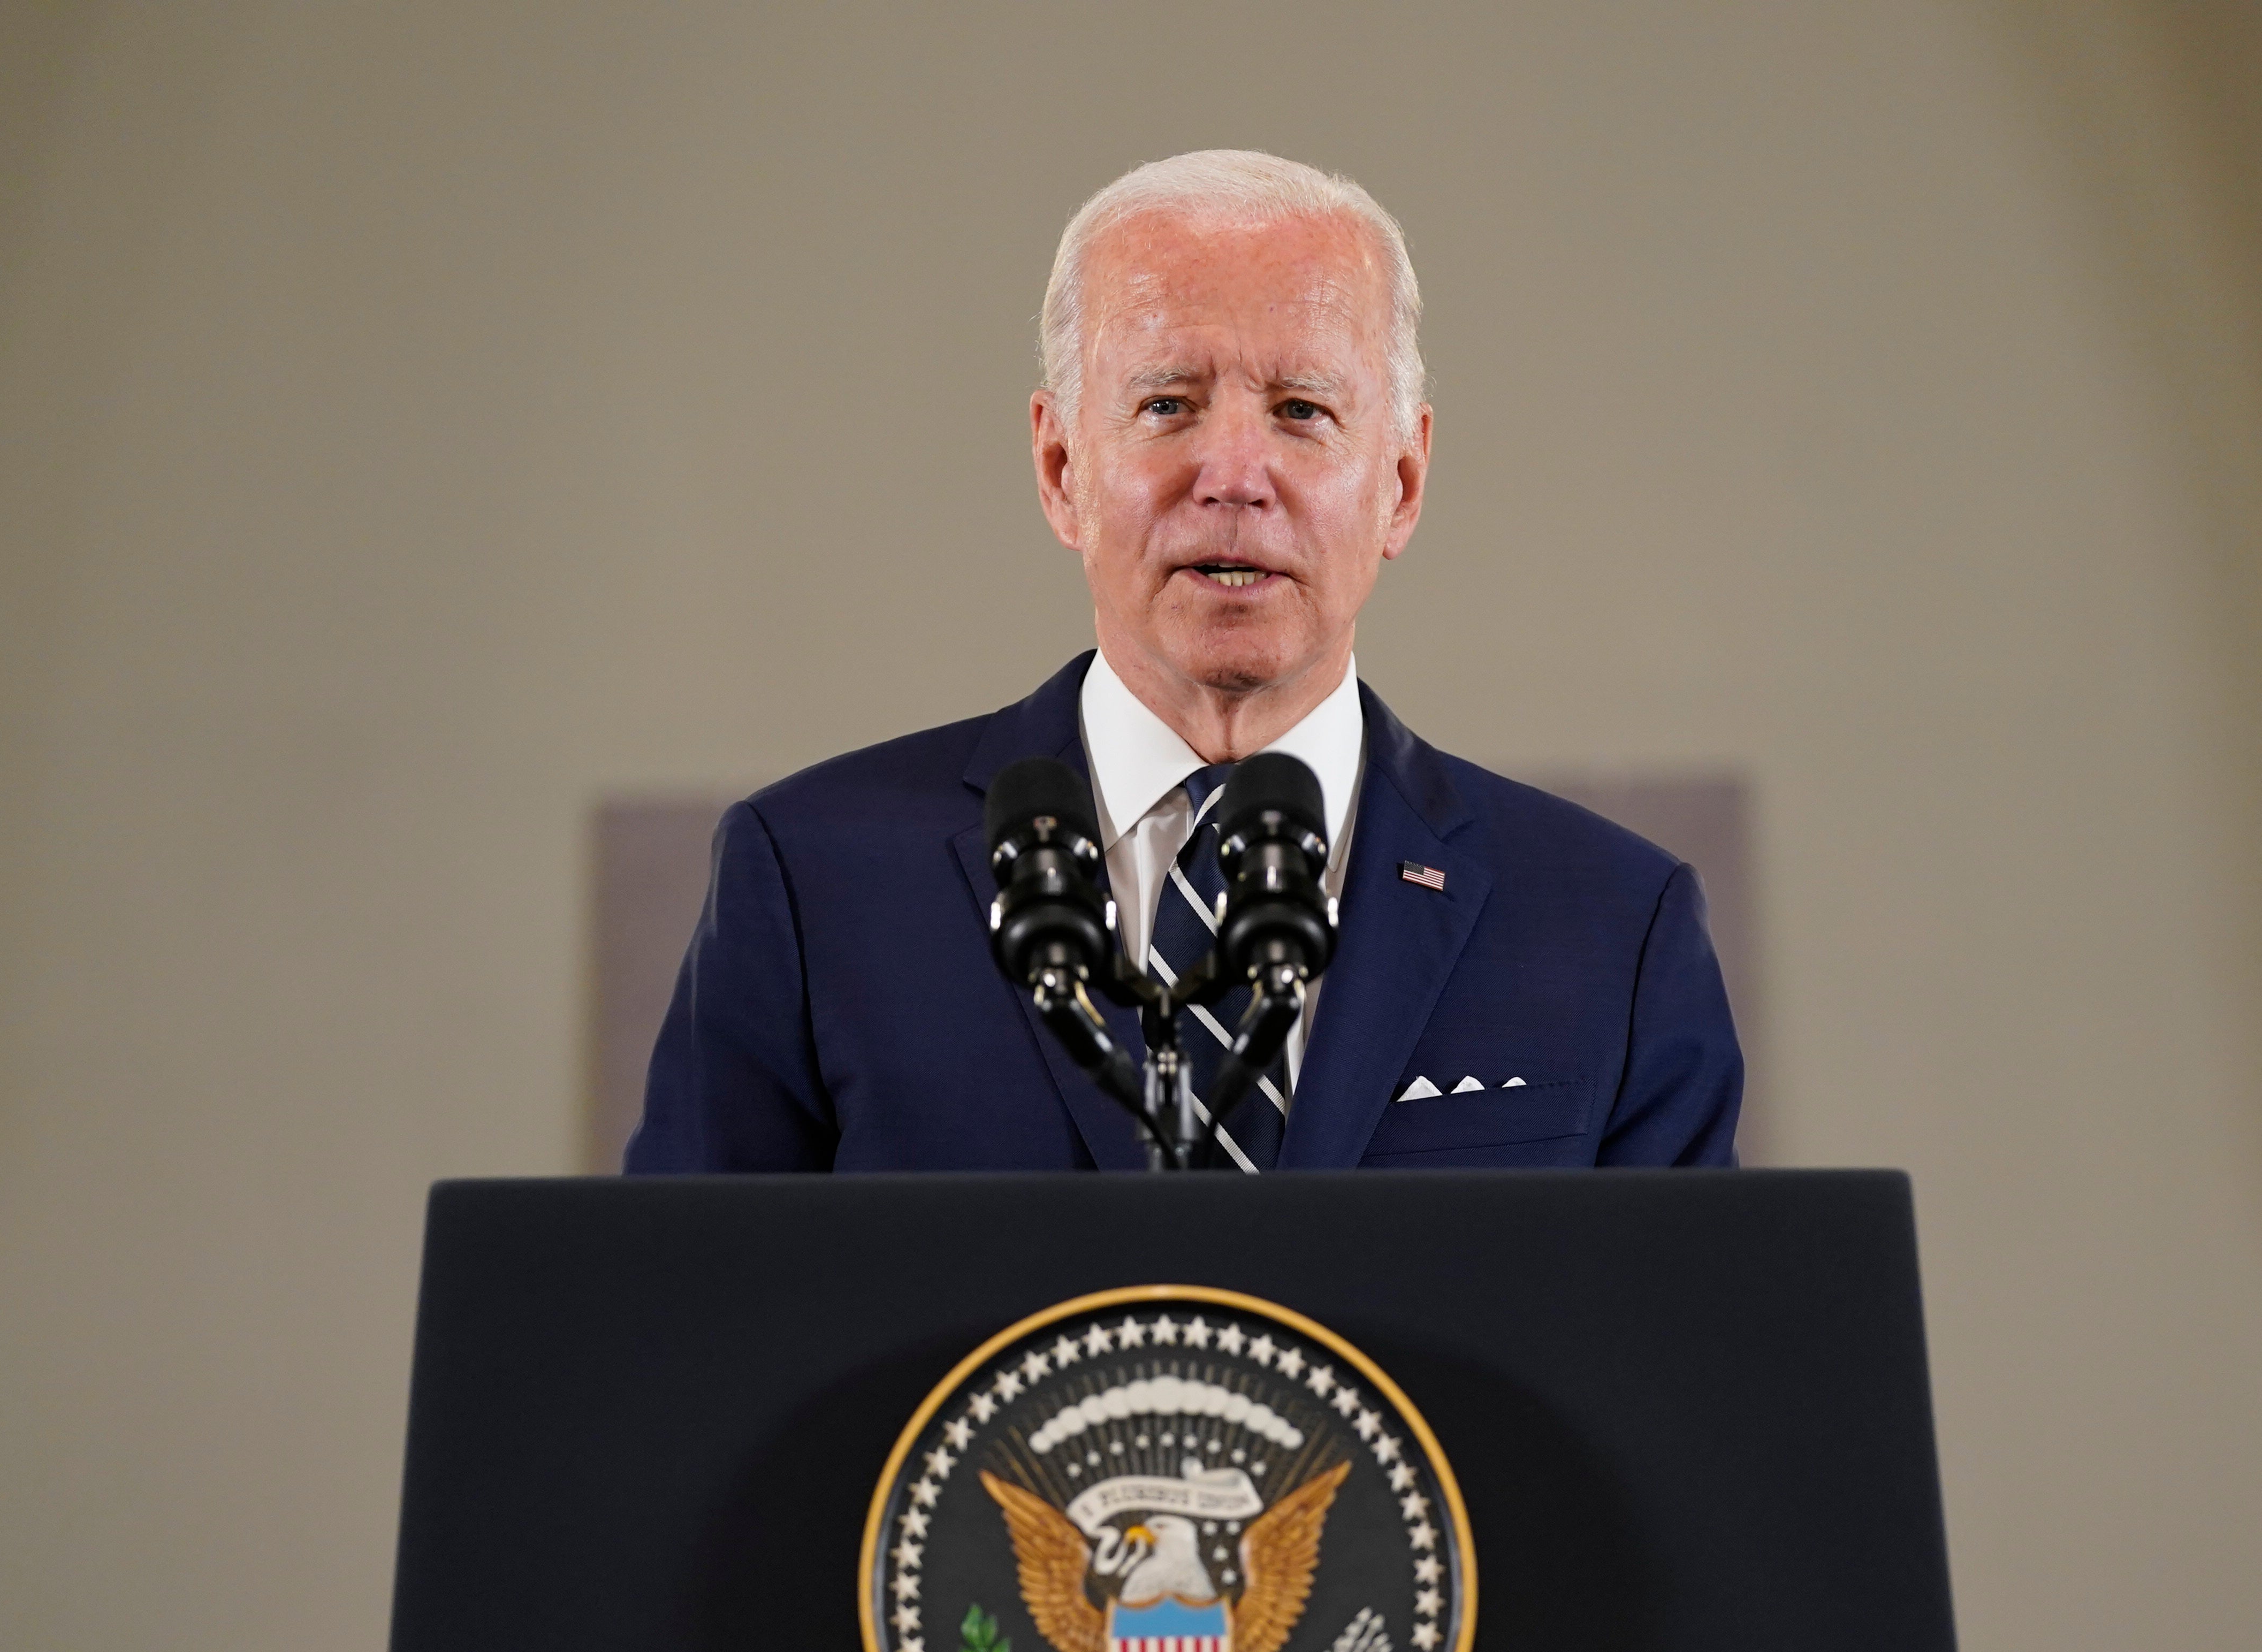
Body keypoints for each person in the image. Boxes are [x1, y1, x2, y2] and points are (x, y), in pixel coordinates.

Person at [625, 150, 1741, 1173]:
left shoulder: (1613, 926)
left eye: (1302, 410)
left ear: (1400, 483)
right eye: (1168, 405)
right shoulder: (817, 885)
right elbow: (678, 1339)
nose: (1234, 474)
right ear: (1061, 467)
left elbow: (1681, 1376)